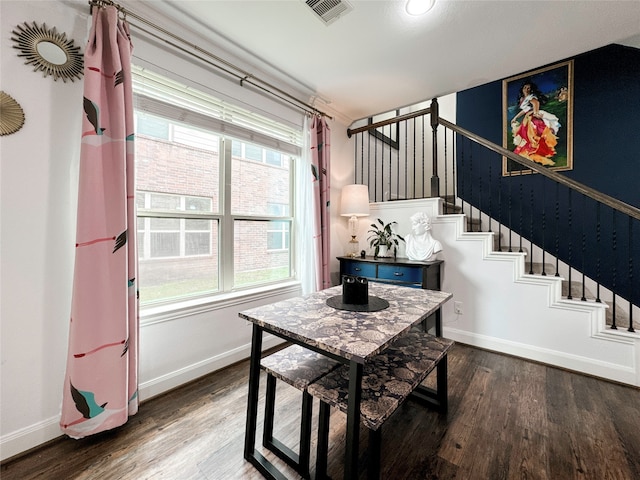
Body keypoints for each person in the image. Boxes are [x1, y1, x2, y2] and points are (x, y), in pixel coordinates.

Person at [510, 80, 561, 166]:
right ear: (522, 89)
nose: (527, 89)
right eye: (525, 87)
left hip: (531, 117)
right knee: (525, 135)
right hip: (527, 117)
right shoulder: (523, 99)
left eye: (529, 88)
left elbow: (536, 103)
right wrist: (515, 117)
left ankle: (536, 151)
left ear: (531, 89)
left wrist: (536, 112)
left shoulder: (531, 97)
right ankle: (529, 151)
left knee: (533, 134)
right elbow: (525, 110)